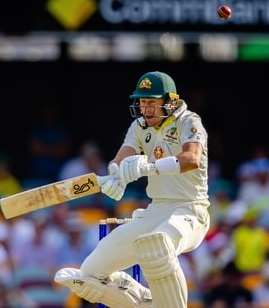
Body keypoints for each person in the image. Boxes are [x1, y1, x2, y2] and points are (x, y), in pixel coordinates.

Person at [54, 71, 210, 307]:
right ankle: (147, 302)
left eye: (152, 103)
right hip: (156, 209)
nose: (146, 109)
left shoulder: (189, 121)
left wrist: (148, 168)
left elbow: (191, 159)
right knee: (90, 274)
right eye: (143, 102)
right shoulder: (139, 126)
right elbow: (120, 159)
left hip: (189, 209)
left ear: (170, 100)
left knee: (157, 245)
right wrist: (115, 177)